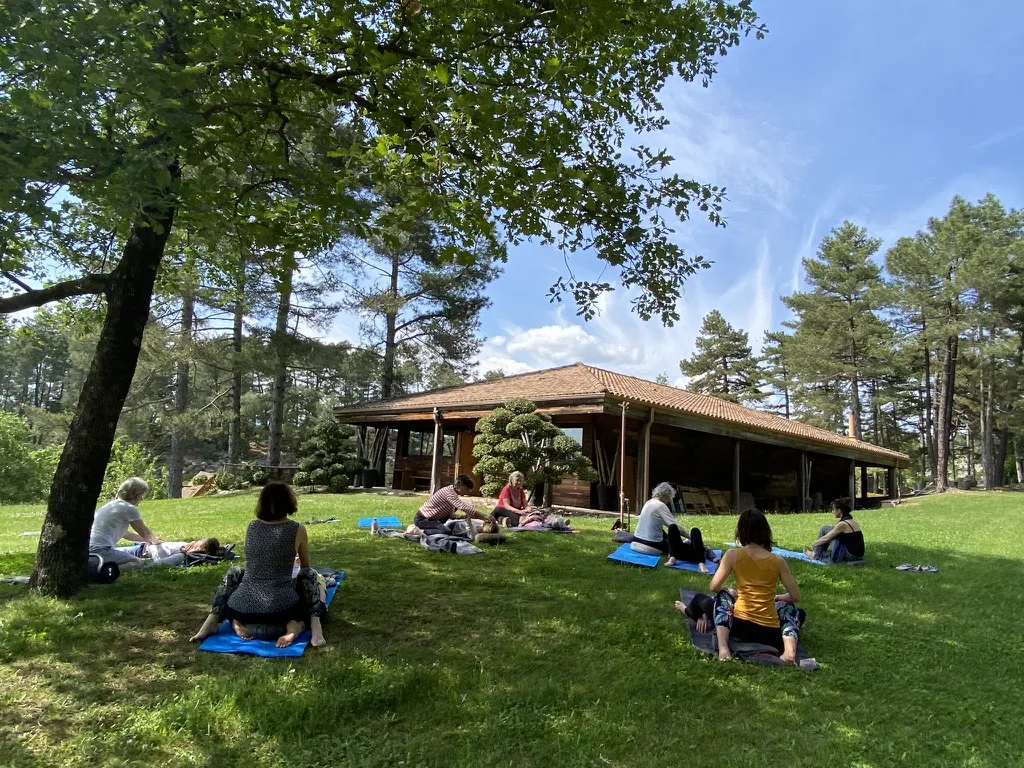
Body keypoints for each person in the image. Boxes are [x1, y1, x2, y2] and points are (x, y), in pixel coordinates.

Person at [189, 482, 326, 648]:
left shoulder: (252, 527)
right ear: (289, 502)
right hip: (282, 609)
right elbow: (305, 566)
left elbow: (255, 561)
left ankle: (213, 621)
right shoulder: (297, 528)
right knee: (309, 574)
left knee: (235, 571)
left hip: (242, 607)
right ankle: (315, 628)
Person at [686, 509, 802, 663]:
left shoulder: (733, 555)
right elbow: (795, 596)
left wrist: (728, 591)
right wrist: (778, 598)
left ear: (741, 531)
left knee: (722, 596)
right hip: (770, 636)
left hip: (739, 629)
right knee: (791, 609)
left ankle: (723, 648)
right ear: (765, 531)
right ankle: (789, 653)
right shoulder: (778, 561)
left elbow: (714, 586)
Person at [631, 482, 709, 572]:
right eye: (668, 499)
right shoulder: (660, 505)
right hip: (651, 543)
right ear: (665, 496)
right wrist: (690, 537)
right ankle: (682, 554)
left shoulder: (648, 503)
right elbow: (674, 526)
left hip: (637, 538)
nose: (668, 501)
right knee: (675, 545)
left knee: (664, 533)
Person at [88, 477, 162, 570]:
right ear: (136, 494)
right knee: (137, 562)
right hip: (102, 550)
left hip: (89, 549)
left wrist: (148, 540)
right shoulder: (128, 508)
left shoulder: (110, 505)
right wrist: (156, 541)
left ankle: (98, 566)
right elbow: (145, 532)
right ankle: (104, 570)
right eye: (142, 495)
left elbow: (126, 534)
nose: (141, 499)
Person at [413, 474, 494, 535]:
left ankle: (434, 528)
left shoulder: (453, 494)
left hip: (432, 519)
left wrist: (462, 516)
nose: (467, 492)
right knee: (446, 531)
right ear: (459, 485)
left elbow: (451, 515)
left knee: (451, 526)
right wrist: (485, 516)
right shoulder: (449, 492)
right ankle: (419, 531)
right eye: (466, 489)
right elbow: (462, 506)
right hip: (422, 519)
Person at [805, 498, 865, 563]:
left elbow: (826, 539)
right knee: (825, 528)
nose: (832, 512)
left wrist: (813, 544)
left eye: (833, 510)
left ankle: (815, 555)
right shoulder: (851, 521)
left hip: (851, 556)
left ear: (839, 510)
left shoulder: (842, 524)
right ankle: (816, 552)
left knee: (828, 537)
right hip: (858, 554)